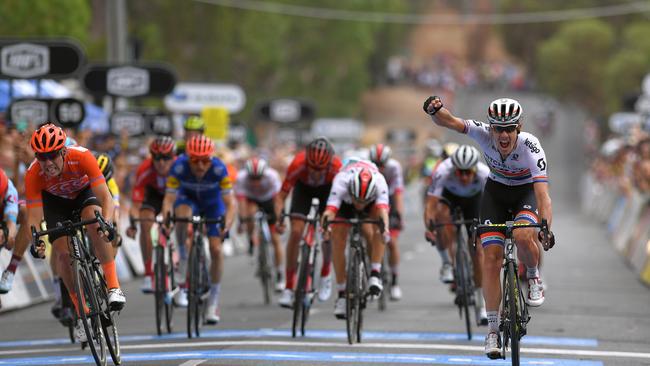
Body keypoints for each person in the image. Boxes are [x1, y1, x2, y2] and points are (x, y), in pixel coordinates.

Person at [423, 96, 555, 359]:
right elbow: (449, 121)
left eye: (509, 129)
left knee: (522, 234)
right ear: (491, 128)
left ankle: (532, 275)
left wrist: (545, 228)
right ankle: (493, 330)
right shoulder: (483, 134)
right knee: (491, 259)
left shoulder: (531, 146)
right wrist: (434, 110)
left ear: (519, 127)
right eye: (498, 129)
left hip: (524, 194)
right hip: (494, 194)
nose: (503, 136)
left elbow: (543, 196)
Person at [25, 123, 123, 343]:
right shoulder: (33, 173)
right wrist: (36, 240)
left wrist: (106, 223)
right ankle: (83, 314)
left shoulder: (82, 157)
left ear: (62, 151)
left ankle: (114, 287)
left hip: (84, 194)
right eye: (42, 157)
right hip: (56, 204)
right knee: (62, 253)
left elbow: (106, 197)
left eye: (52, 156)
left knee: (96, 224)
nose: (47, 163)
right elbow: (33, 216)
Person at [161, 135, 236, 325]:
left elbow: (230, 204)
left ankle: (213, 301)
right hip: (189, 201)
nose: (201, 166)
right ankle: (184, 258)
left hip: (213, 204)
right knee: (182, 216)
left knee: (216, 249)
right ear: (188, 158)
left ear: (211, 158)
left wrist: (227, 224)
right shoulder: (179, 167)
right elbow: (169, 200)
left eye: (205, 161)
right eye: (195, 161)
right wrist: (166, 218)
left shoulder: (219, 168)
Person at [424, 144, 489, 324]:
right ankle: (446, 262)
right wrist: (430, 229)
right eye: (460, 172)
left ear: (475, 169)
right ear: (454, 169)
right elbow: (430, 205)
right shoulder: (443, 171)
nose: (464, 177)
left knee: (478, 250)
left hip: (474, 202)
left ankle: (481, 303)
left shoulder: (485, 174)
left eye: (468, 173)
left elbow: (493, 205)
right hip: (449, 199)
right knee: (441, 218)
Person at [275, 137, 342, 308]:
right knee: (296, 232)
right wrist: (279, 218)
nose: (317, 172)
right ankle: (289, 286)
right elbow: (281, 196)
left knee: (328, 233)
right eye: (313, 168)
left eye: (321, 169)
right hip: (303, 190)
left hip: (328, 191)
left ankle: (326, 272)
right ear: (307, 162)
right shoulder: (297, 164)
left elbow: (340, 198)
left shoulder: (336, 168)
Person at [321, 159, 391, 319]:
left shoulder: (380, 183)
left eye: (362, 201)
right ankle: (341, 294)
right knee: (337, 238)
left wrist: (384, 230)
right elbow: (329, 211)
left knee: (378, 229)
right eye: (357, 200)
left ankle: (375, 274)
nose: (359, 205)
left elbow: (383, 214)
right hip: (345, 204)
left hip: (372, 204)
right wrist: (324, 228)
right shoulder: (341, 181)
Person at [126, 136, 177, 293]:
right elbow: (135, 205)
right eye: (157, 158)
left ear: (173, 157)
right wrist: (133, 223)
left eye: (166, 158)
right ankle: (149, 274)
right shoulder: (144, 169)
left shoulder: (180, 167)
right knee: (145, 221)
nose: (161, 162)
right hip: (154, 196)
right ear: (151, 157)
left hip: (176, 195)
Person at [235, 157, 285, 291]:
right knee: (249, 214)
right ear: (247, 175)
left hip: (269, 200)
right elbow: (241, 203)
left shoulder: (272, 176)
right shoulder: (241, 178)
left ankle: (280, 274)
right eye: (253, 178)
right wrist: (242, 221)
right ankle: (251, 238)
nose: (256, 182)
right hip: (251, 199)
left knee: (275, 239)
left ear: (264, 174)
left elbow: (278, 201)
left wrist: (279, 219)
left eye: (259, 178)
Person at [368, 143, 404, 301]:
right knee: (370, 236)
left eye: (382, 165)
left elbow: (397, 193)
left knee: (392, 242)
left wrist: (399, 215)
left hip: (388, 200)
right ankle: (373, 272)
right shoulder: (367, 167)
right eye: (376, 164)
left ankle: (395, 282)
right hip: (371, 198)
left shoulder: (394, 167)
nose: (379, 168)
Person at [0, 168, 22, 293]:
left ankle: (12, 268)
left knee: (24, 211)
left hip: (4, 217)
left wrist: (8, 234)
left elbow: (11, 222)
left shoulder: (9, 189)